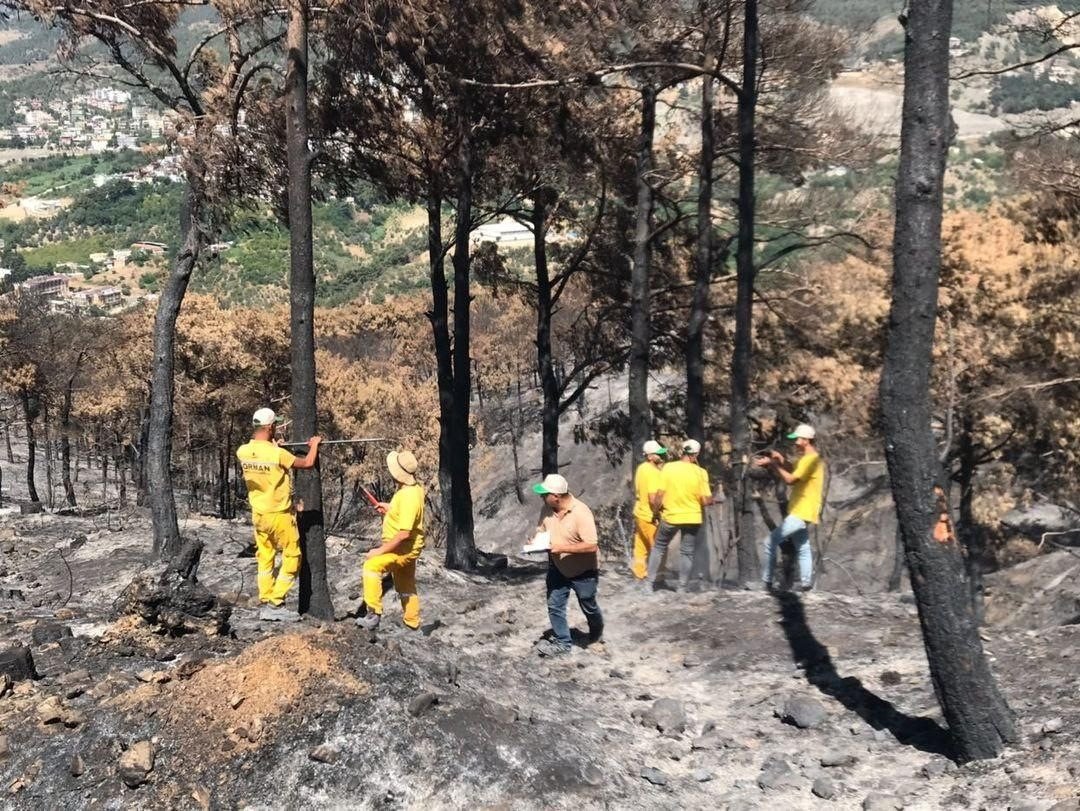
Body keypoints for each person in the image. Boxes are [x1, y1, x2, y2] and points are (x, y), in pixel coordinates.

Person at [236, 407, 321, 621]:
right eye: (275, 425)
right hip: (279, 514)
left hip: (258, 515)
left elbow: (263, 458)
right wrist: (315, 446)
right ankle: (276, 602)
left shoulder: (243, 451)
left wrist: (274, 448)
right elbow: (308, 463)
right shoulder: (278, 454)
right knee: (293, 556)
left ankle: (265, 597)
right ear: (270, 427)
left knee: (265, 556)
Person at [531, 473, 604, 657]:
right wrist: (535, 542)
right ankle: (563, 642)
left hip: (584, 571)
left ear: (556, 496)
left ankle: (596, 630)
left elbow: (591, 544)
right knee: (555, 604)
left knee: (588, 604)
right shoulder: (546, 510)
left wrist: (561, 548)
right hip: (558, 568)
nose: (542, 497)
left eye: (544, 494)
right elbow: (542, 533)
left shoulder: (581, 512)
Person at [356, 450, 425, 631]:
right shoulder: (412, 490)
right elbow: (402, 513)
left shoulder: (409, 496)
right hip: (408, 547)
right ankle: (412, 622)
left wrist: (379, 551)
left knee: (371, 567)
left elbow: (404, 533)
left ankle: (373, 615)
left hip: (403, 549)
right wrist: (389, 509)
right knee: (405, 583)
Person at [755, 423, 825, 591]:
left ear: (807, 440)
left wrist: (773, 465)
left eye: (798, 439)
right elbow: (793, 470)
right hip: (801, 510)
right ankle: (807, 585)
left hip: (802, 510)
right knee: (803, 547)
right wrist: (780, 459)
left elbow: (791, 479)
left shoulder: (811, 460)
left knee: (770, 542)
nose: (795, 442)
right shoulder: (808, 459)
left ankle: (767, 583)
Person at [644, 439, 713, 592]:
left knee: (659, 547)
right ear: (696, 454)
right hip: (693, 518)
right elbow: (706, 501)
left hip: (671, 517)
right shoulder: (701, 473)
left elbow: (660, 494)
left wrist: (655, 513)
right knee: (687, 552)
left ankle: (649, 584)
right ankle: (682, 587)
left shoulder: (669, 468)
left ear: (682, 451)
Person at [631, 440, 667, 579]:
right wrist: (659, 512)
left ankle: (639, 575)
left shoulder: (642, 468)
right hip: (650, 516)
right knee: (659, 549)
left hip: (640, 513)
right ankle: (658, 578)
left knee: (641, 547)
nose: (661, 456)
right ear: (650, 456)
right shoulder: (653, 472)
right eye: (658, 454)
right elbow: (653, 499)